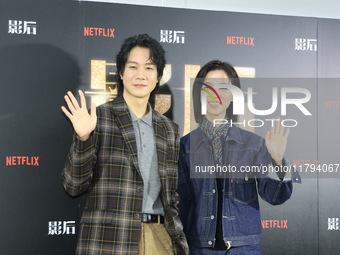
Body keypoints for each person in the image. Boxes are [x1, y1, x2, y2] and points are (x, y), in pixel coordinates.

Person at [61, 34, 188, 255]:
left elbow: (171, 195)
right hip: (110, 239)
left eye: (149, 68)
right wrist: (83, 139)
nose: (140, 75)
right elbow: (73, 186)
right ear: (121, 73)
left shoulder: (170, 129)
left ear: (158, 76)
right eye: (133, 67)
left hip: (159, 237)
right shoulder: (98, 118)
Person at [178, 60, 300, 254]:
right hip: (199, 248)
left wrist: (277, 161)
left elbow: (275, 196)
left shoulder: (254, 144)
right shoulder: (185, 146)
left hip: (244, 248)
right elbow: (181, 203)